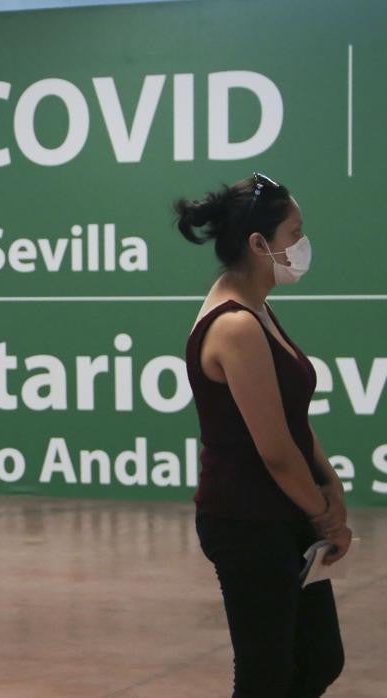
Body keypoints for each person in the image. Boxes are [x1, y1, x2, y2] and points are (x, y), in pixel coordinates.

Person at [176, 172, 350, 696]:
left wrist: (331, 484)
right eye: (294, 233)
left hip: (283, 512)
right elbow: (274, 450)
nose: (302, 243)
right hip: (248, 522)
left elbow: (293, 417)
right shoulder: (235, 326)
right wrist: (324, 518)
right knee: (266, 676)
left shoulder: (259, 310)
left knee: (318, 660)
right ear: (258, 244)